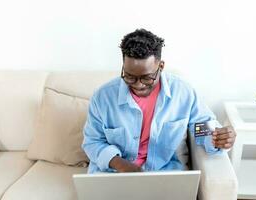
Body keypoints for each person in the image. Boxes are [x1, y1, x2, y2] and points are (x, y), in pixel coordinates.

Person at [82, 28, 236, 173]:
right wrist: (123, 166)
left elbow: (200, 126)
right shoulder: (102, 98)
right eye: (130, 76)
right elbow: (92, 142)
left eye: (147, 78)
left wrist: (218, 137)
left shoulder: (183, 93)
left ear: (161, 66)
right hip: (114, 173)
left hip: (163, 172)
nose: (138, 85)